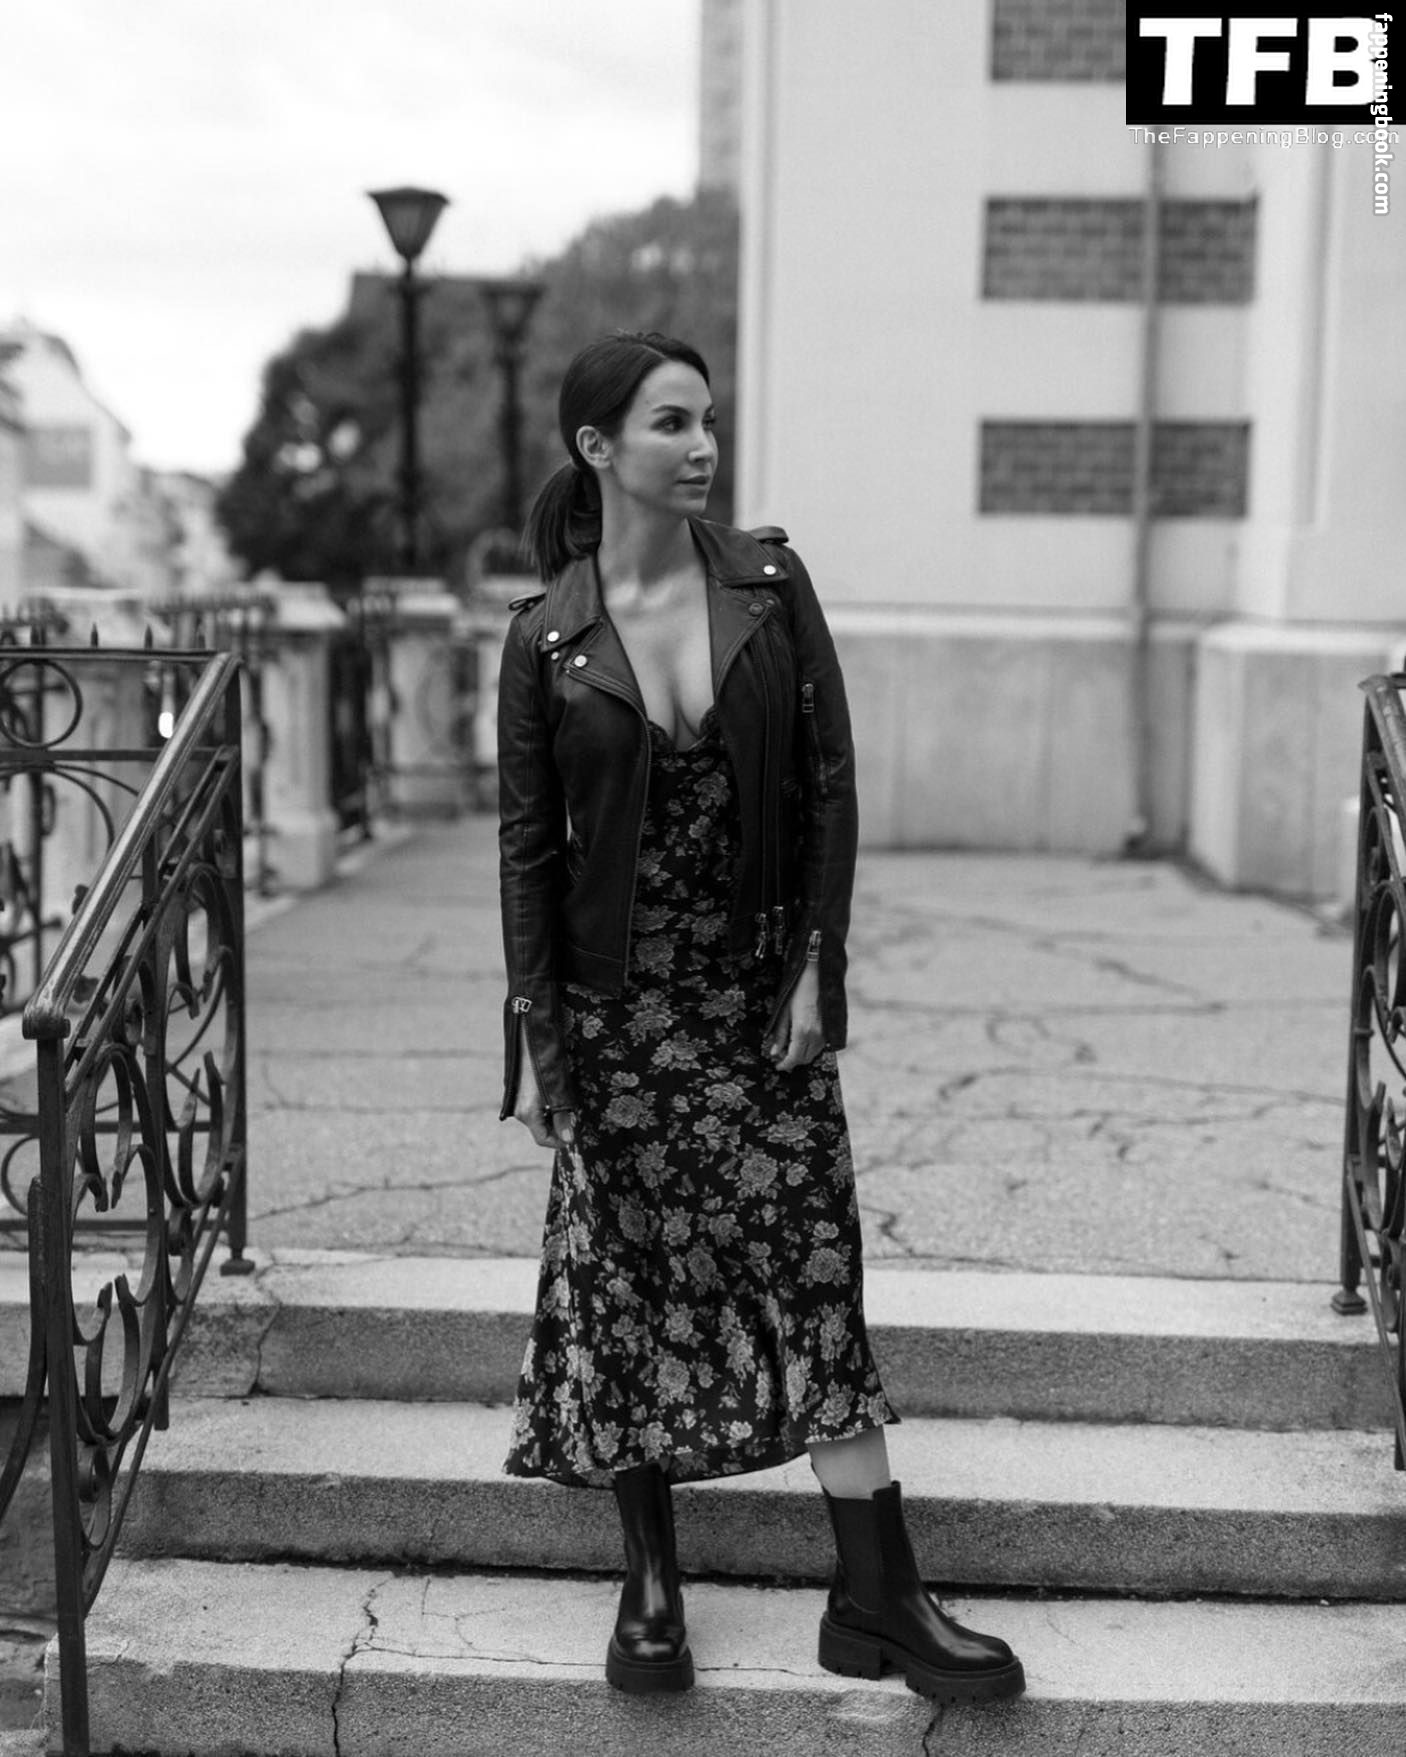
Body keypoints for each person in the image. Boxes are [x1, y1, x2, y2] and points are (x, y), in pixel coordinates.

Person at [496, 330, 1024, 1705]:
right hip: (614, 1018)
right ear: (598, 447)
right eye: (670, 423)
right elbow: (529, 853)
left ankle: (878, 1594)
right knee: (628, 1286)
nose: (702, 447)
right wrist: (541, 1044)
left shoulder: (770, 588)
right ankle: (651, 1584)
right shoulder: (544, 636)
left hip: (750, 1002)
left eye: (708, 420)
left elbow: (828, 787)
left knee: (811, 1267)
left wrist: (813, 968)